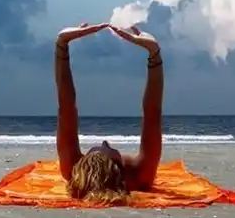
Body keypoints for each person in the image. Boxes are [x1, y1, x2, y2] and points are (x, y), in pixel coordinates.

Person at [55, 22, 164, 205]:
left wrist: (61, 44)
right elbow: (152, 112)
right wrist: (154, 54)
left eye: (97, 147)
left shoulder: (73, 170)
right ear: (119, 169)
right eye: (112, 150)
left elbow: (66, 108)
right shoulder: (139, 175)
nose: (105, 141)